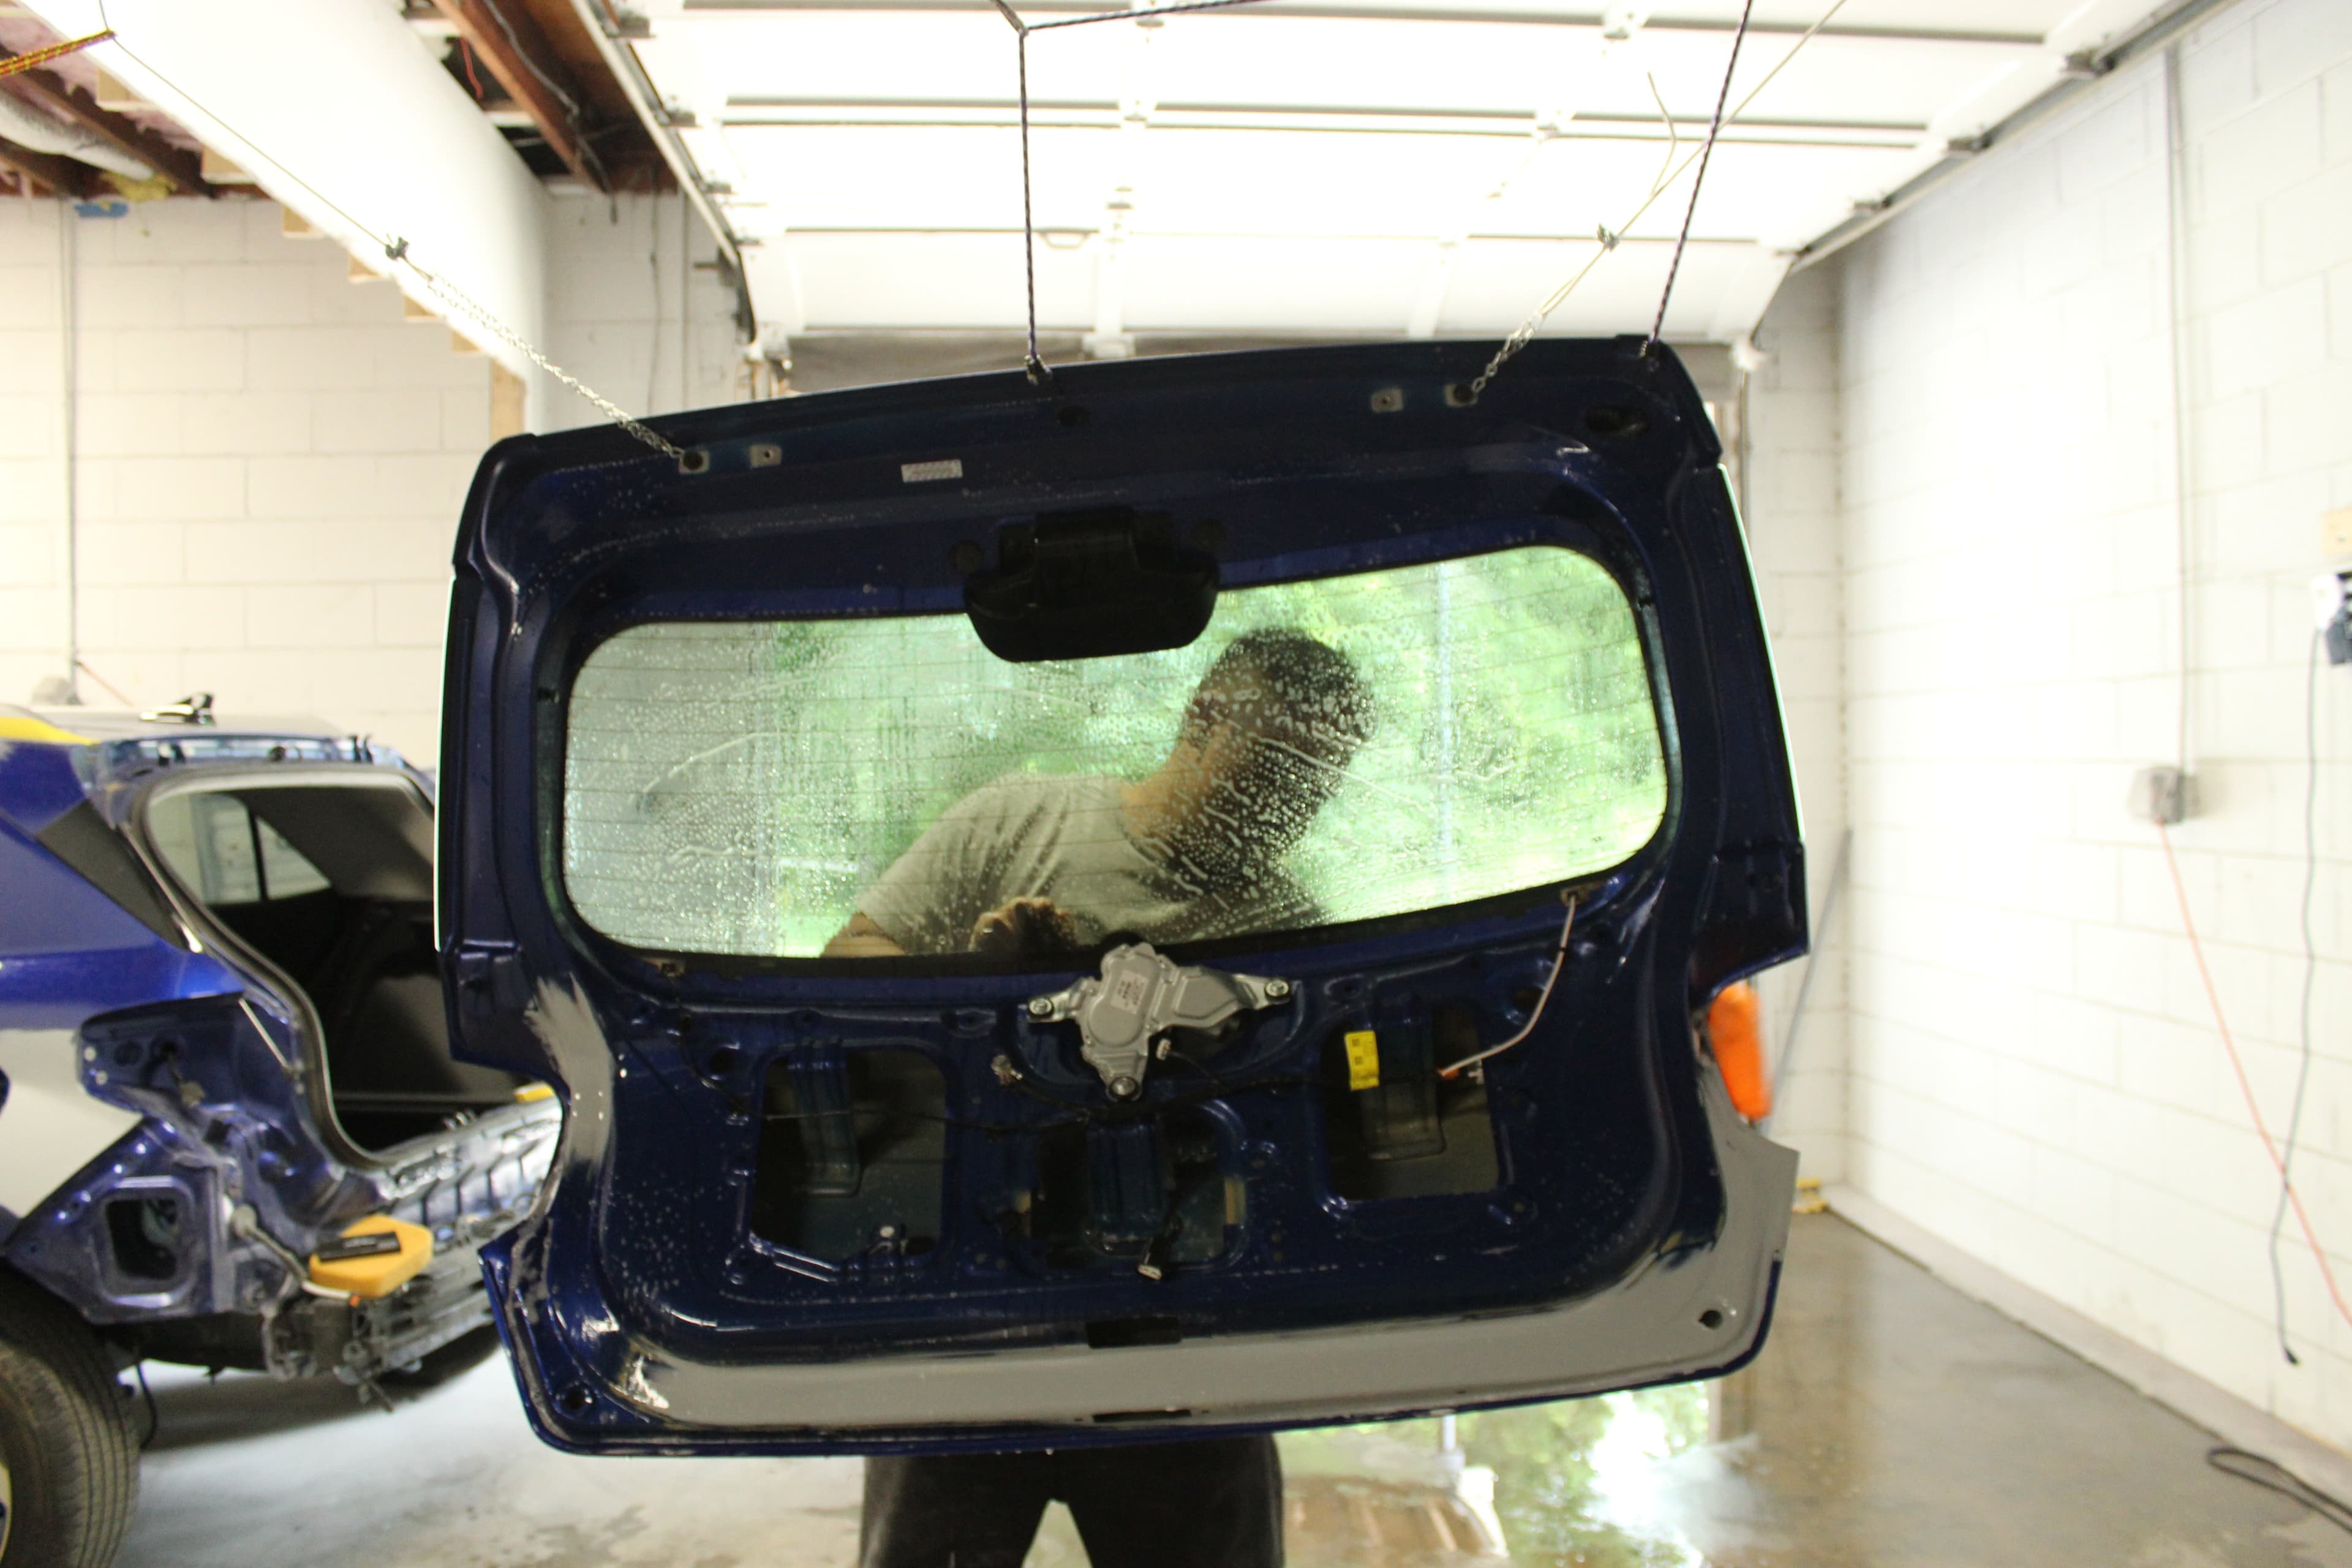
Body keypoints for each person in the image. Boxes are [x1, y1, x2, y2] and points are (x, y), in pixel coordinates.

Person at [831, 629, 1376, 1568]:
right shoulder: (1019, 819)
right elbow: (847, 965)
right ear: (1200, 725)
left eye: (1314, 786)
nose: (1287, 808)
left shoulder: (1289, 922)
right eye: (1271, 774)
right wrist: (977, 979)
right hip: (972, 1312)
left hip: (1186, 1329)